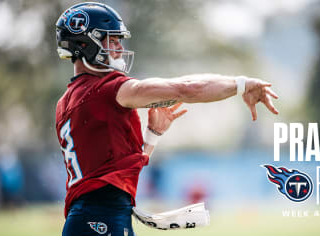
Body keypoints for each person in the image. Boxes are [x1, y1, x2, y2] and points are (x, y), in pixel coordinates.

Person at [55, 2, 278, 236]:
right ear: (84, 44)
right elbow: (186, 89)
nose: (119, 48)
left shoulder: (66, 101)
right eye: (112, 40)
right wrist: (240, 85)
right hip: (99, 219)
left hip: (95, 216)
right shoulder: (106, 90)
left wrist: (152, 137)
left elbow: (112, 173)